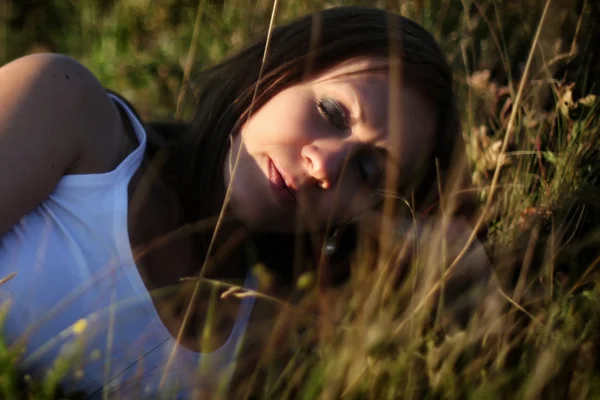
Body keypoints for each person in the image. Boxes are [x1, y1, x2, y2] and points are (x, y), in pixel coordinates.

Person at [0, 6, 492, 398]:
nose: (323, 164)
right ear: (275, 71)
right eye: (331, 112)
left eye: (366, 169)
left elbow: (469, 277)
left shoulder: (264, 333)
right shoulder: (66, 106)